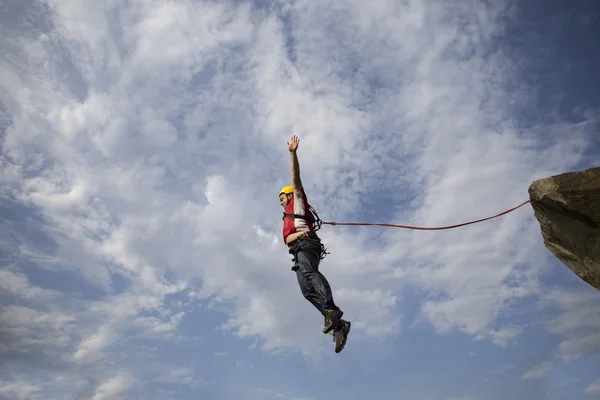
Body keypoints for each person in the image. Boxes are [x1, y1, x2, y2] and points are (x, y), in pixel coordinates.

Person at [279, 134, 351, 353]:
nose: (281, 200)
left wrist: (293, 153)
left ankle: (330, 310)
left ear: (290, 196)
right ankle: (338, 324)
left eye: (282, 196)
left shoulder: (298, 201)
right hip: (297, 250)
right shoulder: (287, 215)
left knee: (310, 274)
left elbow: (296, 178)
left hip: (307, 244)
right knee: (306, 291)